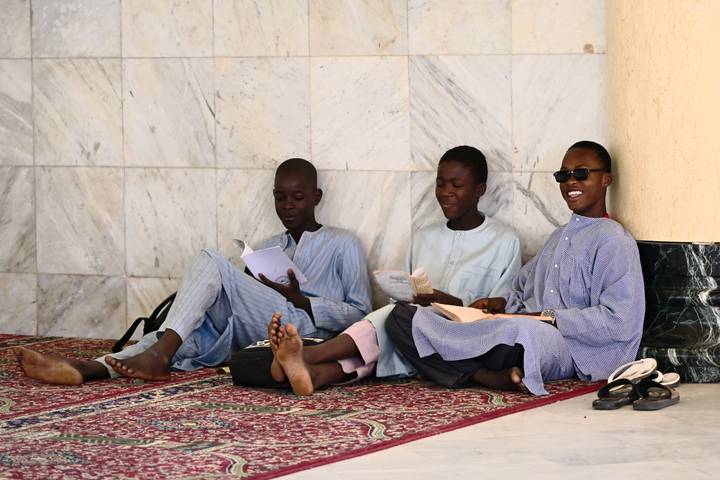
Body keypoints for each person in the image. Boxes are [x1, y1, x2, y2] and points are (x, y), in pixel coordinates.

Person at [16, 158, 373, 385]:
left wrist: (303, 300)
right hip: (254, 324)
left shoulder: (343, 243)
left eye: (297, 197)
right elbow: (236, 293)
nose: (287, 206)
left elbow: (361, 314)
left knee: (210, 259)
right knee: (190, 326)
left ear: (317, 196)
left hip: (303, 327)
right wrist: (251, 282)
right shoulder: (269, 244)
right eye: (280, 197)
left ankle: (158, 356)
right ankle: (89, 368)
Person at [384, 141, 645, 395]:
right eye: (564, 175)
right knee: (401, 318)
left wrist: (548, 317)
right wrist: (501, 302)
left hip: (566, 345)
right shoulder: (558, 236)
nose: (571, 182)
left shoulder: (614, 240)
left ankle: (450, 366)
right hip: (516, 327)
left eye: (581, 173)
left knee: (518, 332)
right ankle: (482, 375)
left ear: (606, 180)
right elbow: (522, 288)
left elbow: (620, 321)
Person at [267, 146, 522, 395]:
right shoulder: (424, 237)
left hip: (464, 336)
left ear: (480, 190)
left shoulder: (504, 240)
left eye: (456, 185)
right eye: (440, 183)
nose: (445, 192)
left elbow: (499, 309)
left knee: (393, 322)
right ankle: (315, 374)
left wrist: (453, 303)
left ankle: (308, 354)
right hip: (411, 333)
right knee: (393, 327)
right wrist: (409, 295)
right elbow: (400, 299)